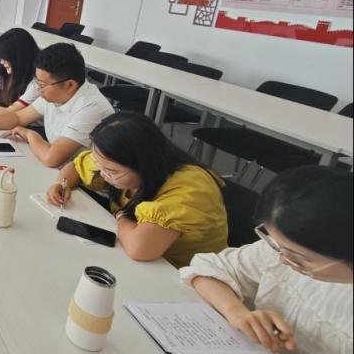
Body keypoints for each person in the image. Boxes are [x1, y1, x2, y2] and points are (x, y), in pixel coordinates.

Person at [181, 167, 353, 354]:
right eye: (278, 246)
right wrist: (237, 312)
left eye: (299, 256)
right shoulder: (283, 251)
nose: (283, 259)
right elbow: (207, 271)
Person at [46, 112, 227, 267]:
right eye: (100, 166)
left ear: (144, 164)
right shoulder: (114, 161)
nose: (102, 174)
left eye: (112, 171)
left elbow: (139, 249)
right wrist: (61, 184)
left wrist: (122, 216)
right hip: (141, 261)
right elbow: (76, 167)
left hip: (184, 275)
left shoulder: (189, 189)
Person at [0, 43, 115, 167]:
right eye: (38, 81)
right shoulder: (54, 93)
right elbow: (18, 117)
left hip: (88, 189)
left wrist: (30, 135)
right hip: (60, 170)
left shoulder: (91, 107)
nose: (38, 88)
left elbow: (52, 158)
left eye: (42, 84)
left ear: (70, 85)